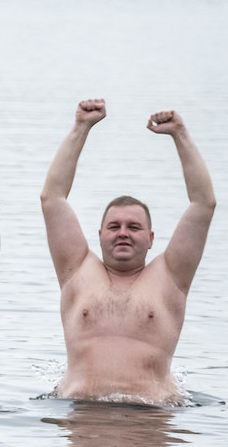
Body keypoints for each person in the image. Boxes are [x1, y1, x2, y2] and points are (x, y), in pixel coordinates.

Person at [40, 100, 216, 404]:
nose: (123, 233)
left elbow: (203, 204)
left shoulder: (171, 278)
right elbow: (52, 198)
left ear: (150, 238)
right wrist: (81, 127)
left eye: (133, 227)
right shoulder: (77, 271)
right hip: (82, 419)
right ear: (100, 236)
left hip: (149, 422)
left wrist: (180, 134)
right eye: (114, 226)